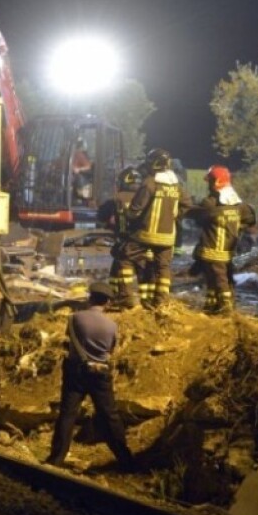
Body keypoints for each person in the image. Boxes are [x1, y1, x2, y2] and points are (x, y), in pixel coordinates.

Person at [44, 281, 135, 471]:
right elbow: (110, 349)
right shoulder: (111, 325)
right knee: (110, 415)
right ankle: (125, 459)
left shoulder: (74, 318)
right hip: (100, 373)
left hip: (75, 371)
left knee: (68, 414)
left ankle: (56, 459)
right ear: (108, 302)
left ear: (90, 298)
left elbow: (68, 339)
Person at [184, 165, 255, 316]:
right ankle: (212, 306)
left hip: (212, 249)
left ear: (215, 183)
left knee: (219, 280)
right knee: (220, 278)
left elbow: (199, 219)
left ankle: (226, 309)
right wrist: (236, 226)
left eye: (209, 181)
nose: (208, 185)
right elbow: (250, 219)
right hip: (228, 250)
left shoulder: (209, 203)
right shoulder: (239, 205)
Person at [125, 148, 188, 310]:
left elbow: (135, 209)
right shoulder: (177, 185)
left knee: (124, 257)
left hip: (145, 235)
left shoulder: (150, 182)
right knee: (163, 267)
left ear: (154, 164)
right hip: (168, 236)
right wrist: (174, 216)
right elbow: (187, 204)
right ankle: (161, 301)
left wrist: (128, 219)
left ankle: (126, 298)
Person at [98, 165, 142, 309]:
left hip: (124, 241)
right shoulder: (145, 198)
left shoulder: (116, 199)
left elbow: (102, 216)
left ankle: (123, 297)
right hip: (144, 240)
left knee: (122, 265)